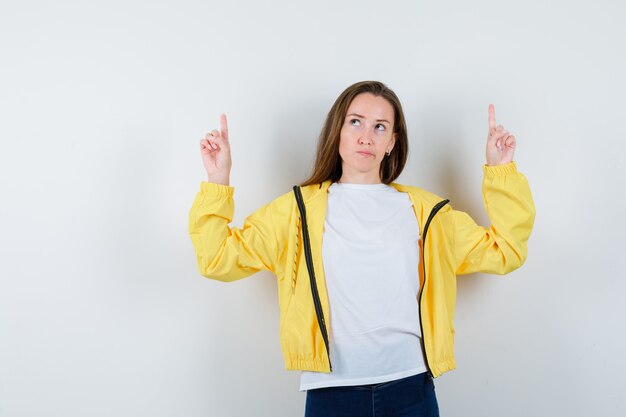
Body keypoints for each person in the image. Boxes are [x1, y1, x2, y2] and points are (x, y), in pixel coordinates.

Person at [188, 81, 535, 417]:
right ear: (337, 131)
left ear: (392, 143)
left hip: (411, 389)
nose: (366, 136)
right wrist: (218, 181)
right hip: (331, 394)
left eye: (380, 127)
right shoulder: (297, 212)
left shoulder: (427, 214)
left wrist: (500, 171)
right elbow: (217, 257)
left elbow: (505, 249)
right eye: (356, 122)